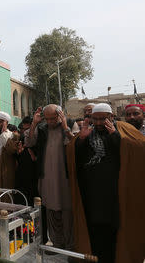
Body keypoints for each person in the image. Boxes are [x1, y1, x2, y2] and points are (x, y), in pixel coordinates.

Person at [67, 103, 145, 263]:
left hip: (115, 193)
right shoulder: (87, 132)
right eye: (95, 119)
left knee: (112, 228)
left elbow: (137, 149)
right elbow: (76, 157)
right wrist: (81, 140)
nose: (98, 123)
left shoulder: (123, 129)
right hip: (92, 193)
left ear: (111, 117)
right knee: (94, 227)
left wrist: (115, 136)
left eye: (102, 119)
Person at [24, 105, 78, 251]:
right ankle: (57, 245)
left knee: (67, 211)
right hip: (47, 176)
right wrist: (35, 123)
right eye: (46, 119)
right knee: (51, 211)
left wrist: (66, 127)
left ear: (60, 115)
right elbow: (29, 143)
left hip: (65, 177)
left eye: (53, 118)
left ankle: (70, 246)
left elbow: (77, 145)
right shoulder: (42, 128)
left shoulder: (72, 124)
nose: (50, 122)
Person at [0, 111, 18, 189]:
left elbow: (12, 150)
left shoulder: (12, 135)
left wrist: (3, 133)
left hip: (4, 171)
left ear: (6, 123)